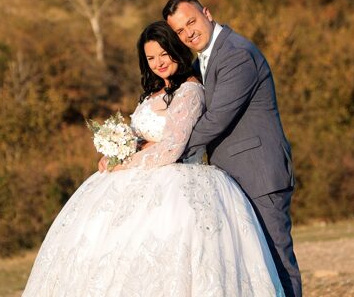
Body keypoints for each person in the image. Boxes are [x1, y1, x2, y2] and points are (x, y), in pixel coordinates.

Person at [22, 21, 284, 297]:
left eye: (164, 54)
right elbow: (143, 138)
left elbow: (172, 147)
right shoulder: (153, 92)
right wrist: (116, 151)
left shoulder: (190, 91)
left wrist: (126, 163)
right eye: (150, 58)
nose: (158, 63)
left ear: (176, 51)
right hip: (142, 175)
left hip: (178, 182)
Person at [164, 0, 302, 297]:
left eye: (191, 22)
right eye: (180, 31)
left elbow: (217, 118)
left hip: (259, 175)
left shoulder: (237, 54)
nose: (188, 33)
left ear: (207, 13)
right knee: (253, 266)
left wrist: (169, 150)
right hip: (231, 178)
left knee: (277, 261)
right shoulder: (201, 61)